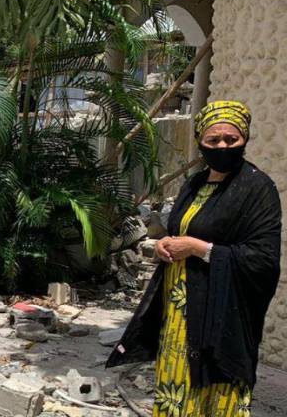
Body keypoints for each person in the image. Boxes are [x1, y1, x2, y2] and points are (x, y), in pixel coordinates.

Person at [105, 100, 282, 416]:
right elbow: (178, 231)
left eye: (232, 139)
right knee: (177, 389)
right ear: (201, 141)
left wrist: (201, 249)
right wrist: (164, 245)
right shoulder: (194, 184)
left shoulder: (257, 188)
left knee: (215, 391)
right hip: (179, 312)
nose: (223, 146)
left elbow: (263, 259)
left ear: (245, 139)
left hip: (221, 315)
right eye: (214, 140)